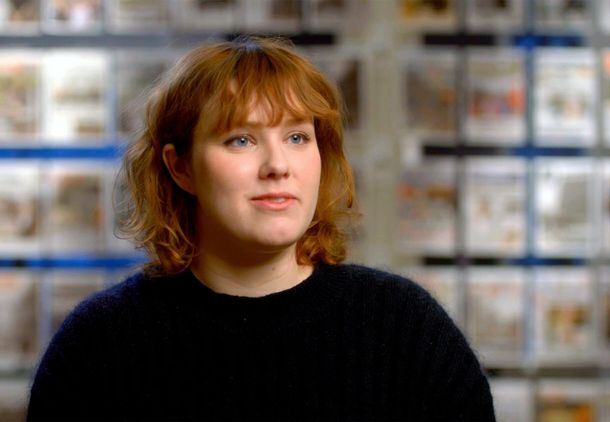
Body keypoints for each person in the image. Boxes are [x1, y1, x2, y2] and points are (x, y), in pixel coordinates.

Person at [27, 36, 495, 421]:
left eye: (297, 137)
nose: (278, 165)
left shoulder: (404, 327)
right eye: (241, 139)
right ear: (180, 167)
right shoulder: (100, 343)